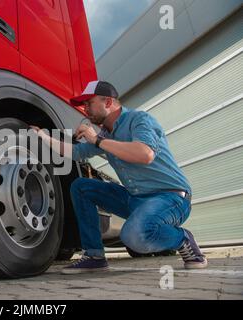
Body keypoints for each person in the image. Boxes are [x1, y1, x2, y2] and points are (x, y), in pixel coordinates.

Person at [30, 80, 207, 274]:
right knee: (81, 186)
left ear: (107, 102)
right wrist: (43, 137)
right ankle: (94, 256)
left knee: (134, 236)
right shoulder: (105, 134)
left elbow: (144, 154)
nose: (85, 108)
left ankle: (182, 238)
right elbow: (75, 152)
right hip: (135, 198)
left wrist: (97, 140)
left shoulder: (139, 120)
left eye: (89, 103)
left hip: (170, 197)